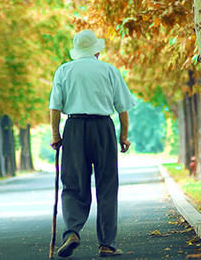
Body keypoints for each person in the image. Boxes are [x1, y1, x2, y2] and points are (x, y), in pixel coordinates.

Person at [49, 29, 136, 258]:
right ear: (97, 50)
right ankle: (107, 243)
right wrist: (123, 136)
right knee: (107, 185)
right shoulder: (109, 70)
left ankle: (71, 232)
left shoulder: (64, 71)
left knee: (73, 183)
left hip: (75, 128)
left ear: (76, 51)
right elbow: (122, 109)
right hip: (103, 128)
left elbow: (55, 107)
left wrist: (55, 135)